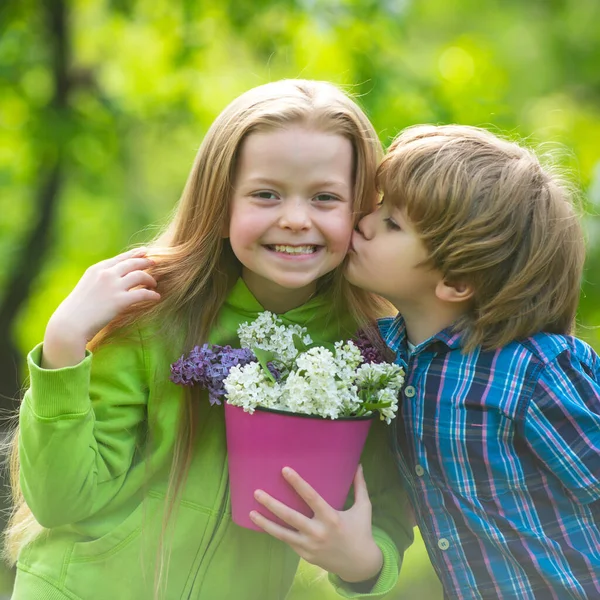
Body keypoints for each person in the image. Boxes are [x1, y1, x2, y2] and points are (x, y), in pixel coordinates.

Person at [5, 79, 414, 600]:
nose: (294, 219)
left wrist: (364, 560)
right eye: (266, 194)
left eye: (325, 197)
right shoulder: (152, 314)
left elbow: (383, 508)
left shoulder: (370, 355)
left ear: (360, 213)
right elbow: (61, 500)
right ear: (220, 204)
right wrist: (63, 344)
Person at [345, 124, 600, 599]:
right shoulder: (380, 354)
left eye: (392, 223)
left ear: (457, 282)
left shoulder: (533, 373)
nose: (363, 220)